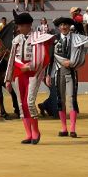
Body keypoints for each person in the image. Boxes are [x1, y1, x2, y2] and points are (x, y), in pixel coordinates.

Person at [3, 12, 53, 144]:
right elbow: (12, 60)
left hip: (33, 73)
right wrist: (8, 79)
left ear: (27, 25)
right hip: (19, 74)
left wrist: (29, 67)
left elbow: (42, 58)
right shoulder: (16, 40)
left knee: (29, 103)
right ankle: (29, 134)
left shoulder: (38, 37)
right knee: (21, 104)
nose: (18, 29)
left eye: (20, 26)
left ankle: (36, 132)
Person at [49, 17, 88, 136]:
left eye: (65, 25)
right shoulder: (55, 39)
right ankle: (63, 128)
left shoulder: (75, 38)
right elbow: (51, 58)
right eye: (61, 25)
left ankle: (72, 128)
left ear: (69, 26)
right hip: (58, 71)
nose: (63, 27)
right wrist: (47, 75)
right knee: (60, 100)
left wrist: (74, 63)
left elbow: (81, 54)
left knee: (72, 99)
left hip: (71, 72)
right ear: (58, 27)